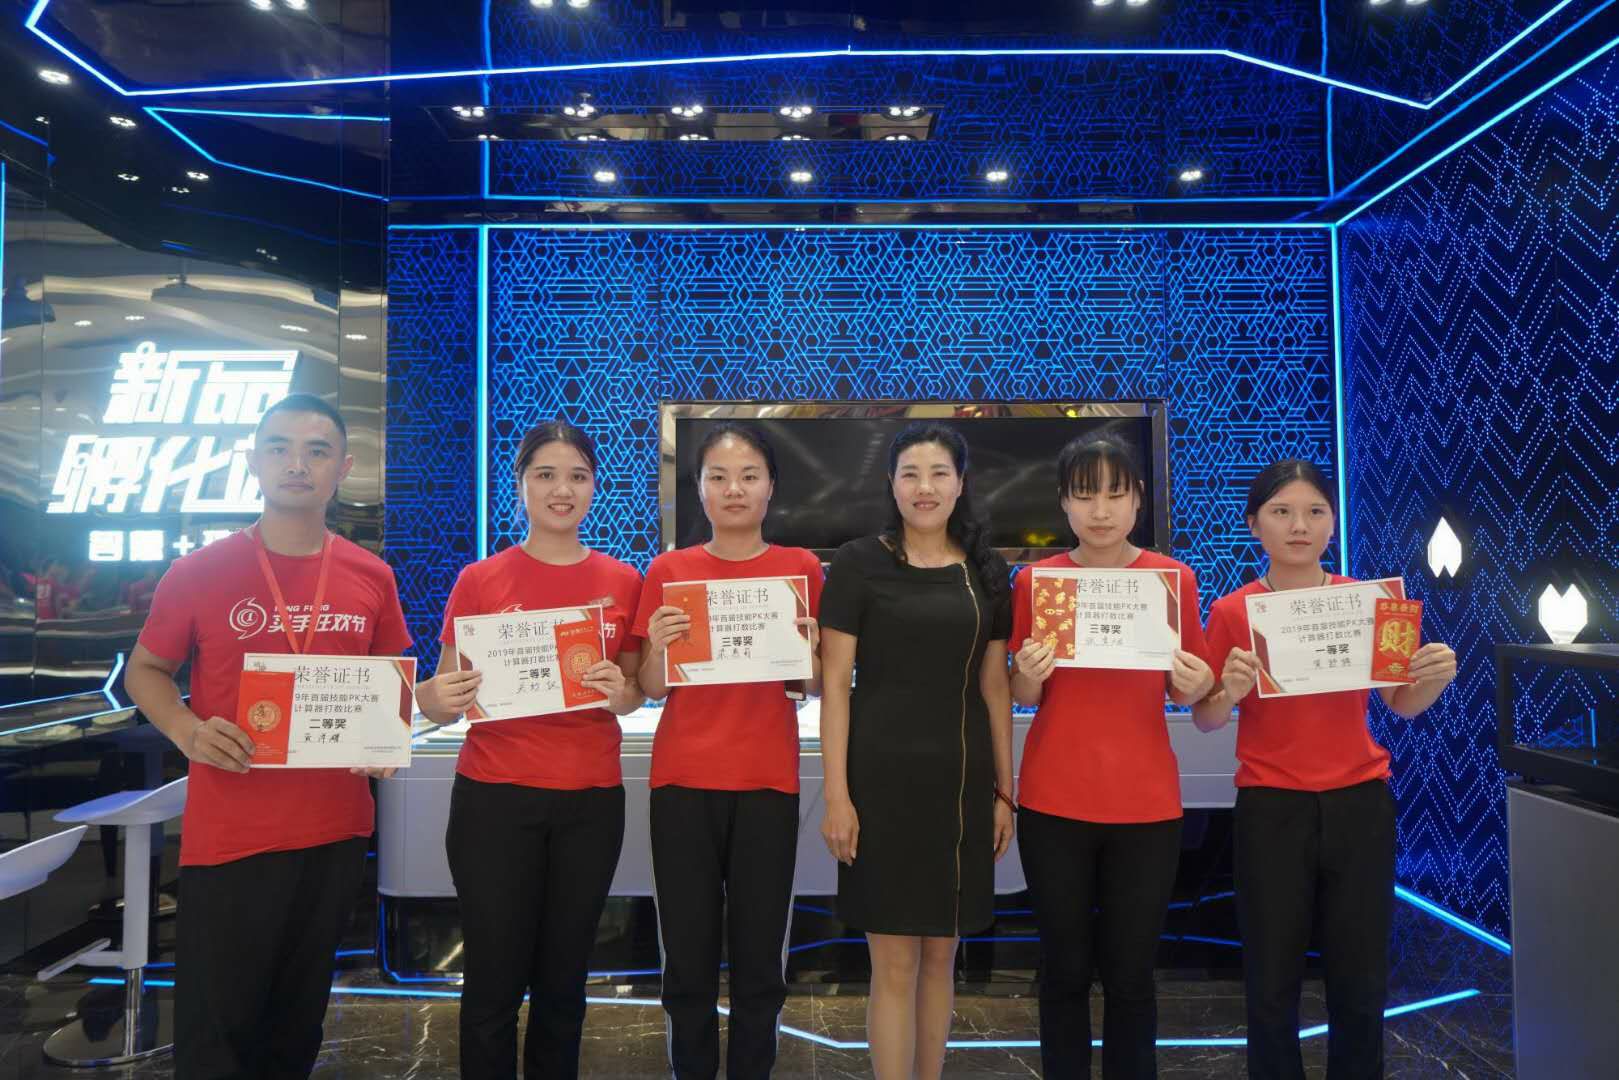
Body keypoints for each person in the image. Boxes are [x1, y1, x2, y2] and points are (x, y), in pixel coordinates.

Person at [124, 393, 412, 1079]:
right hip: (233, 833)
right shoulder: (198, 571)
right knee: (216, 1031)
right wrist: (186, 729)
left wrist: (388, 737)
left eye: (317, 451)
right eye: (280, 447)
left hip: (335, 831)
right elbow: (145, 671)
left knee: (295, 1023)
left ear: (342, 468)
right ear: (253, 461)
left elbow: (390, 682)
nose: (297, 464)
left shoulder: (371, 574)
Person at [1191, 460, 1457, 1080]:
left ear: (1333, 523)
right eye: (1281, 512)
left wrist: (1433, 680)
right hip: (1271, 807)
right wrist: (1228, 691)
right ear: (1254, 524)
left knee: (1360, 974)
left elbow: (1401, 703)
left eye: (1315, 512)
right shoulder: (1231, 611)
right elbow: (1205, 719)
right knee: (1270, 975)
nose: (1299, 526)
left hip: (1360, 802)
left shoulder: (1373, 603)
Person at [415, 420, 645, 1079]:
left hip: (589, 803)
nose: (561, 489)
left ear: (594, 487)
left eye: (577, 476)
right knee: (492, 978)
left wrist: (619, 692)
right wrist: (434, 696)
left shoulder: (622, 580)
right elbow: (442, 695)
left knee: (564, 982)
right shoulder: (480, 579)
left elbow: (633, 693)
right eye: (545, 475)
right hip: (494, 800)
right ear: (520, 485)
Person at [1010, 436, 1215, 1079]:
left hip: (1145, 804)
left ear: (1138, 501)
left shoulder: (1171, 580)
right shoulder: (1038, 582)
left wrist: (1196, 680)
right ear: (1064, 503)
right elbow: (1024, 694)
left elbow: (1189, 690)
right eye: (1085, 494)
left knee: (1131, 976)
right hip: (1054, 799)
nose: (1100, 510)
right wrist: (1027, 673)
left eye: (1115, 494)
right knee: (1063, 972)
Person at [818, 422, 1015, 1080]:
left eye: (938, 473)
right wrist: (838, 796)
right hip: (879, 785)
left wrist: (1005, 791)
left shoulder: (987, 572)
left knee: (940, 957)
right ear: (891, 483)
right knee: (894, 962)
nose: (923, 487)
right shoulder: (857, 563)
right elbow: (835, 686)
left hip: (960, 784)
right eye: (910, 473)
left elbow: (994, 688)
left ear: (960, 484)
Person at [633, 422, 824, 1080]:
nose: (734, 489)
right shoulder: (669, 571)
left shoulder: (800, 569)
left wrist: (808, 649)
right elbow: (650, 687)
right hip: (682, 782)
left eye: (748, 476)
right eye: (718, 477)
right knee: (686, 957)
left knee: (759, 957)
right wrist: (659, 647)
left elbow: (812, 682)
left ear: (771, 487)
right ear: (700, 490)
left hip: (767, 782)